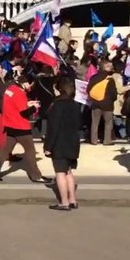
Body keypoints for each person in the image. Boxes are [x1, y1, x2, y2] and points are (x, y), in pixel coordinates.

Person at [0, 72, 46, 183]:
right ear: (25, 83)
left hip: (9, 125)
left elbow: (15, 105)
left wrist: (28, 103)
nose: (30, 87)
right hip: (21, 127)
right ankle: (36, 176)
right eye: (30, 84)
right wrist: (34, 107)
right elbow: (23, 113)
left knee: (4, 151)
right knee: (30, 151)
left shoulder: (10, 89)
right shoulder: (20, 93)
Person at [43, 76, 82, 211]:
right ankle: (72, 200)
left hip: (60, 143)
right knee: (69, 172)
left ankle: (64, 202)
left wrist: (48, 146)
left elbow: (53, 128)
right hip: (73, 142)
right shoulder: (75, 104)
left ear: (59, 89)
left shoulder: (57, 105)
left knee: (60, 173)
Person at [86, 61, 117, 145]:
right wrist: (111, 100)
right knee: (108, 123)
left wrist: (94, 99)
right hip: (107, 104)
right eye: (110, 66)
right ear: (105, 67)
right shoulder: (110, 79)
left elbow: (88, 90)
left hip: (95, 104)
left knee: (95, 123)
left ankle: (94, 140)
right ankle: (107, 140)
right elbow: (114, 93)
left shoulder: (93, 77)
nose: (111, 67)